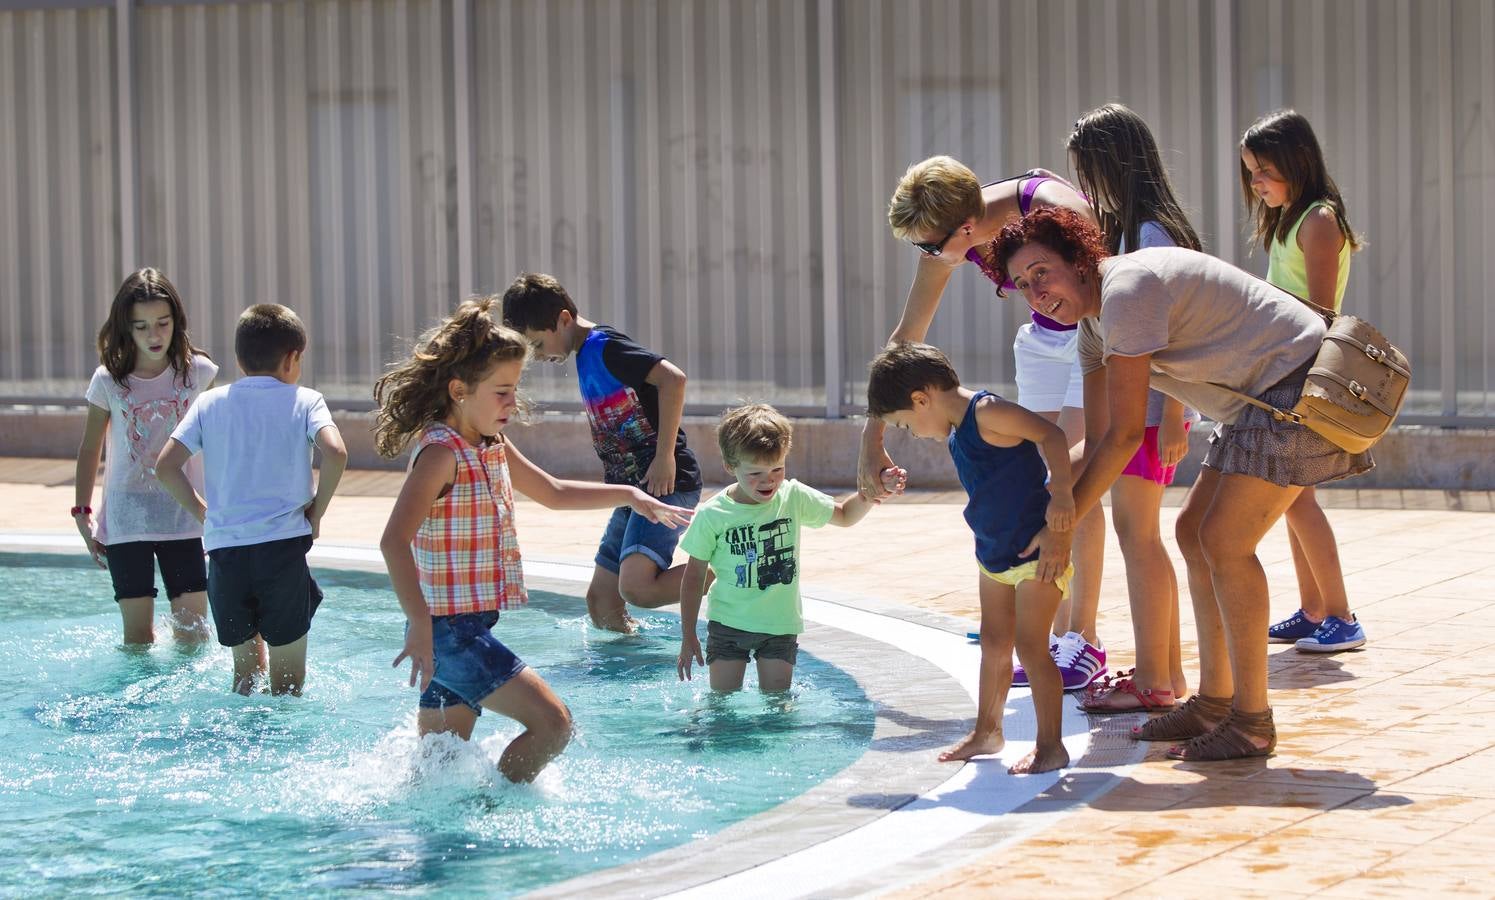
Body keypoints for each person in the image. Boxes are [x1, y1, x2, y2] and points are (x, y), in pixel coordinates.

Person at [994, 206, 1372, 761]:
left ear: (1077, 257)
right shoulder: (1093, 324)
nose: (1035, 292)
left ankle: (1251, 720)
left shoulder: (1125, 292)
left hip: (1298, 384)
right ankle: (1216, 701)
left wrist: (1060, 519)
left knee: (1224, 541)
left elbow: (1124, 436)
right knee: (1194, 530)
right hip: (1255, 400)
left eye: (1041, 272)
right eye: (1023, 285)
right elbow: (1097, 441)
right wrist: (1037, 496)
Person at [375, 297, 693, 783]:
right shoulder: (442, 455)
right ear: (459, 391)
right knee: (553, 724)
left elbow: (553, 492)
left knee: (436, 772)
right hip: (447, 635)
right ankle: (495, 812)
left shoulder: (491, 445)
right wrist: (418, 624)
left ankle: (444, 837)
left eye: (515, 389)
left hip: (464, 628)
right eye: (502, 391)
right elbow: (393, 541)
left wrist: (631, 494)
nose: (512, 403)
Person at [867, 156, 1107, 692]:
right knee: (1036, 479)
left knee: (1073, 474)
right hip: (1045, 339)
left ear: (968, 230)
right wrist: (873, 436)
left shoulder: (1055, 212)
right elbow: (907, 337)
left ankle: (1083, 639)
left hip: (1093, 330)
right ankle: (1049, 626)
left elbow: (1110, 293)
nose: (927, 258)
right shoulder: (955, 227)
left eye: (929, 247)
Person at [868, 342, 1074, 774]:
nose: (913, 432)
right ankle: (987, 731)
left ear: (921, 399)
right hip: (992, 551)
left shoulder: (986, 412)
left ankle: (1051, 745)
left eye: (905, 424)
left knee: (1032, 647)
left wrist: (1061, 503)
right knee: (995, 643)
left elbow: (1052, 435)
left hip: (1035, 552)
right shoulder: (960, 429)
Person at [1065, 104, 1199, 711]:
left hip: (1148, 414)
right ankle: (1164, 675)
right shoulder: (1130, 226)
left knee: (1137, 535)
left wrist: (1174, 415)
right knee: (1142, 536)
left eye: (1089, 170)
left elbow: (1172, 332)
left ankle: (1154, 681)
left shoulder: (1150, 233)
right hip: (1137, 411)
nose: (1086, 185)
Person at [156, 304, 348, 696]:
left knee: (245, 679)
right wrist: (316, 511)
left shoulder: (209, 404)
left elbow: (165, 466)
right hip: (282, 552)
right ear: (293, 358)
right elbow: (337, 452)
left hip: (227, 556)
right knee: (288, 687)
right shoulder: (306, 400)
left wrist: (202, 512)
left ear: (240, 360)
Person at [502, 273, 703, 634]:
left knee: (637, 588)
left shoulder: (604, 346)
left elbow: (674, 379)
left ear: (563, 319)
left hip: (664, 482)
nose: (538, 356)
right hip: (634, 491)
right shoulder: (585, 355)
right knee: (602, 603)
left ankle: (738, 566)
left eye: (537, 343)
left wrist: (665, 456)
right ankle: (635, 669)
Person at [1240, 109, 1367, 654]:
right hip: (1281, 367)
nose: (1255, 183)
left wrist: (1254, 301)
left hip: (1302, 371)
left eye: (1264, 171)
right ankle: (1315, 609)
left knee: (1297, 499)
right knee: (1294, 498)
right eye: (1250, 172)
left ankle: (1341, 615)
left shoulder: (1318, 219)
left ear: (1297, 163)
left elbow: (1320, 310)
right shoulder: (1293, 215)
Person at [675, 404, 887, 693]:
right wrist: (688, 635)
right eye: (756, 473)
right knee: (722, 708)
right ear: (730, 466)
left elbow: (845, 515)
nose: (769, 480)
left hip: (779, 626)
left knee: (778, 708)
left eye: (777, 468)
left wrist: (871, 492)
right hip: (728, 626)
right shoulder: (713, 515)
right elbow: (693, 576)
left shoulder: (793, 496)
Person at [73, 268, 218, 645]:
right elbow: (90, 447)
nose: (153, 335)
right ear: (126, 328)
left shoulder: (199, 373)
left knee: (193, 637)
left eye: (162, 323)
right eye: (141, 327)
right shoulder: (108, 380)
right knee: (137, 640)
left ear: (177, 321)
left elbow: (218, 443)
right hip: (127, 519)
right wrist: (82, 512)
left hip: (185, 515)